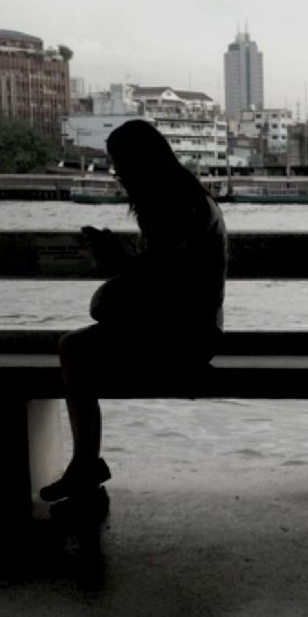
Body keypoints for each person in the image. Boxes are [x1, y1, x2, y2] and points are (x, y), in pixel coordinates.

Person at [40, 119, 227, 515]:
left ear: (141, 163)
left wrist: (119, 261)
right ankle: (85, 469)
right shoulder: (184, 199)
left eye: (120, 164)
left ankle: (86, 469)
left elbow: (165, 281)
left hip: (183, 337)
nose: (119, 174)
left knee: (75, 349)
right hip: (189, 329)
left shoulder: (176, 206)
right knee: (82, 341)